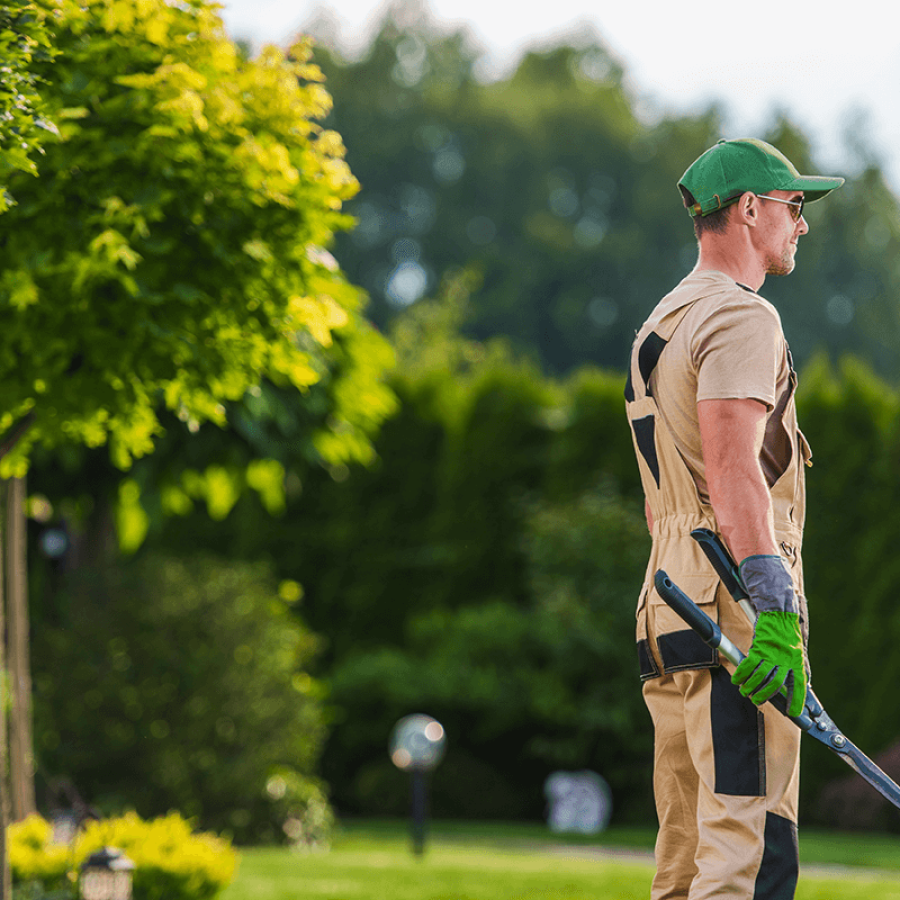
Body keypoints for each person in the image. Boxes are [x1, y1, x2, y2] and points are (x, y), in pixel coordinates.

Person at [624, 138, 844, 899]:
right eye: (794, 206)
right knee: (744, 852)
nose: (802, 224)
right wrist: (775, 609)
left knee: (684, 857)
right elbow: (733, 468)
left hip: (669, 601)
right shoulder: (743, 318)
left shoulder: (660, 325)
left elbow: (665, 497)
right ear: (749, 210)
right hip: (733, 608)